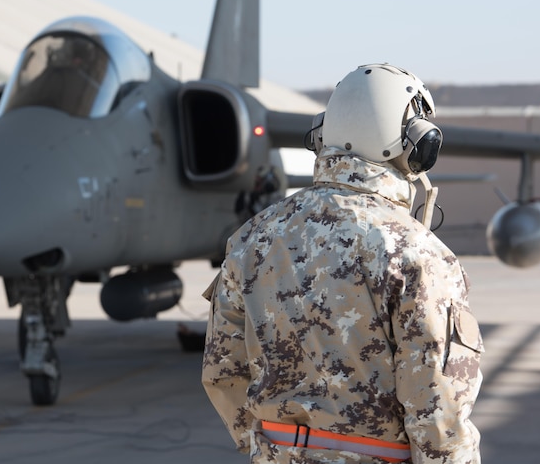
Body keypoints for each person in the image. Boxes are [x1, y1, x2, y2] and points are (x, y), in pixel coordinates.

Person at [202, 64, 483, 464]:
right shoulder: (418, 254)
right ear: (416, 144)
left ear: (322, 136)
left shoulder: (251, 239)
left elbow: (222, 369)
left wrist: (269, 448)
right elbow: (439, 408)